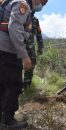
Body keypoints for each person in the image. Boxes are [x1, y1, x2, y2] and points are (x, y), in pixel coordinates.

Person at [0, 0, 48, 129]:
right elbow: (14, 28)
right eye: (42, 3)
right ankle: (9, 120)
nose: (41, 6)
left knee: (3, 83)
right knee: (15, 85)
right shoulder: (24, 5)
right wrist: (24, 56)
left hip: (3, 49)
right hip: (8, 50)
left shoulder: (16, 3)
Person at [24, 15, 44, 88]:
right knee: (14, 65)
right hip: (17, 45)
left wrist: (40, 46)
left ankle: (27, 86)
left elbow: (39, 33)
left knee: (31, 66)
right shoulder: (21, 15)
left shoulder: (35, 20)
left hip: (30, 48)